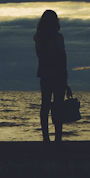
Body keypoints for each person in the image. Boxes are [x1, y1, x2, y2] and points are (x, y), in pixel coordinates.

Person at [34, 10, 67, 142]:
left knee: (45, 106)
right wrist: (65, 75)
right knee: (58, 106)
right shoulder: (58, 37)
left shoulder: (38, 38)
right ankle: (58, 138)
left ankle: (46, 138)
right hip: (58, 75)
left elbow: (39, 56)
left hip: (45, 74)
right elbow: (62, 57)